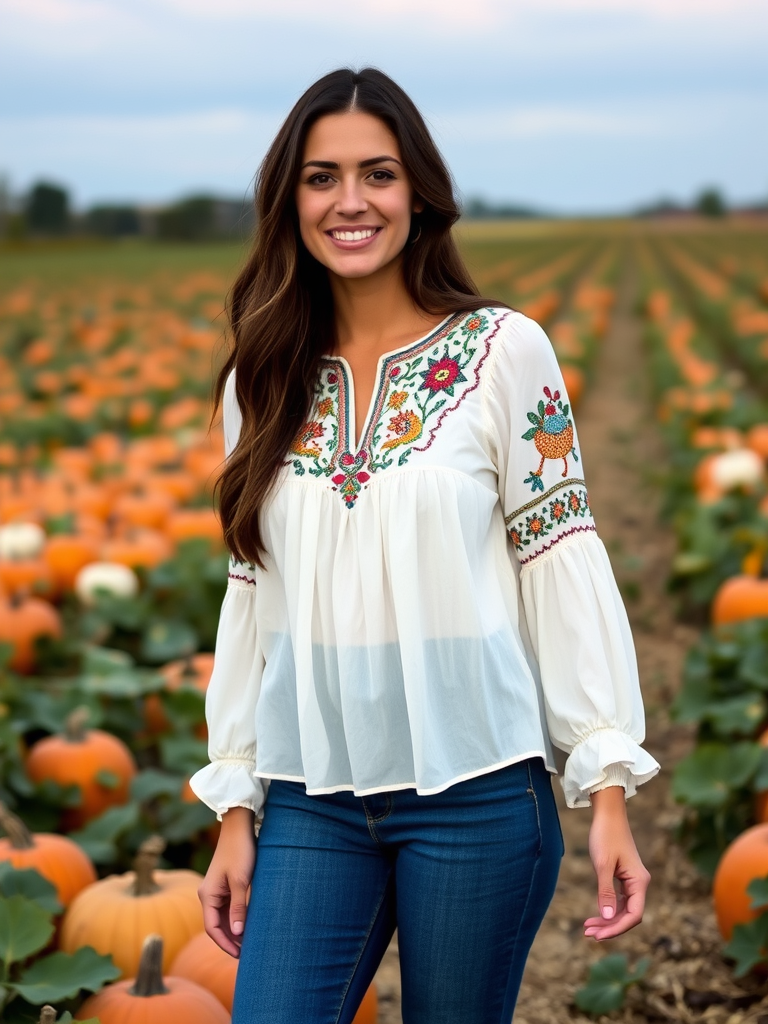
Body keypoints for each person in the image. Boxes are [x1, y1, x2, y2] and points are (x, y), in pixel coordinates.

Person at [189, 66, 660, 1024]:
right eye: (321, 177)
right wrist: (238, 809)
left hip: (479, 793)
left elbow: (559, 561)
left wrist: (605, 783)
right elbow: (254, 593)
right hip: (313, 799)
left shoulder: (503, 351)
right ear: (290, 198)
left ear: (420, 194)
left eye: (378, 173)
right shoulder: (264, 377)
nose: (350, 201)